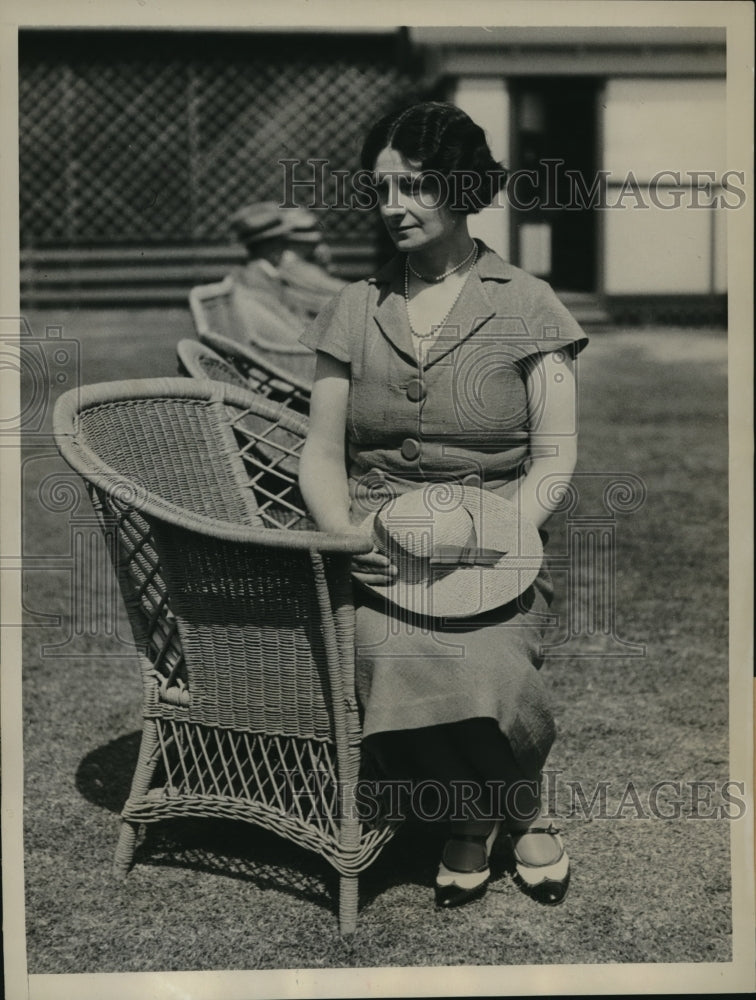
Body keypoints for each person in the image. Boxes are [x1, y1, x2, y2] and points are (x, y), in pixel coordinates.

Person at [298, 101, 588, 909]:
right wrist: (345, 532)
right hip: (378, 544)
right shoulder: (354, 307)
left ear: (460, 187)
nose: (393, 207)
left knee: (488, 656)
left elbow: (554, 458)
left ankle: (494, 813)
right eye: (381, 189)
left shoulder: (529, 304)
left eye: (415, 187)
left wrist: (494, 535)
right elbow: (320, 450)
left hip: (497, 545)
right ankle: (500, 808)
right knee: (387, 645)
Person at [229, 201, 345, 322]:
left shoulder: (267, 274)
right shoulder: (257, 277)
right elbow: (280, 320)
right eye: (282, 241)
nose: (284, 248)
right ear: (271, 245)